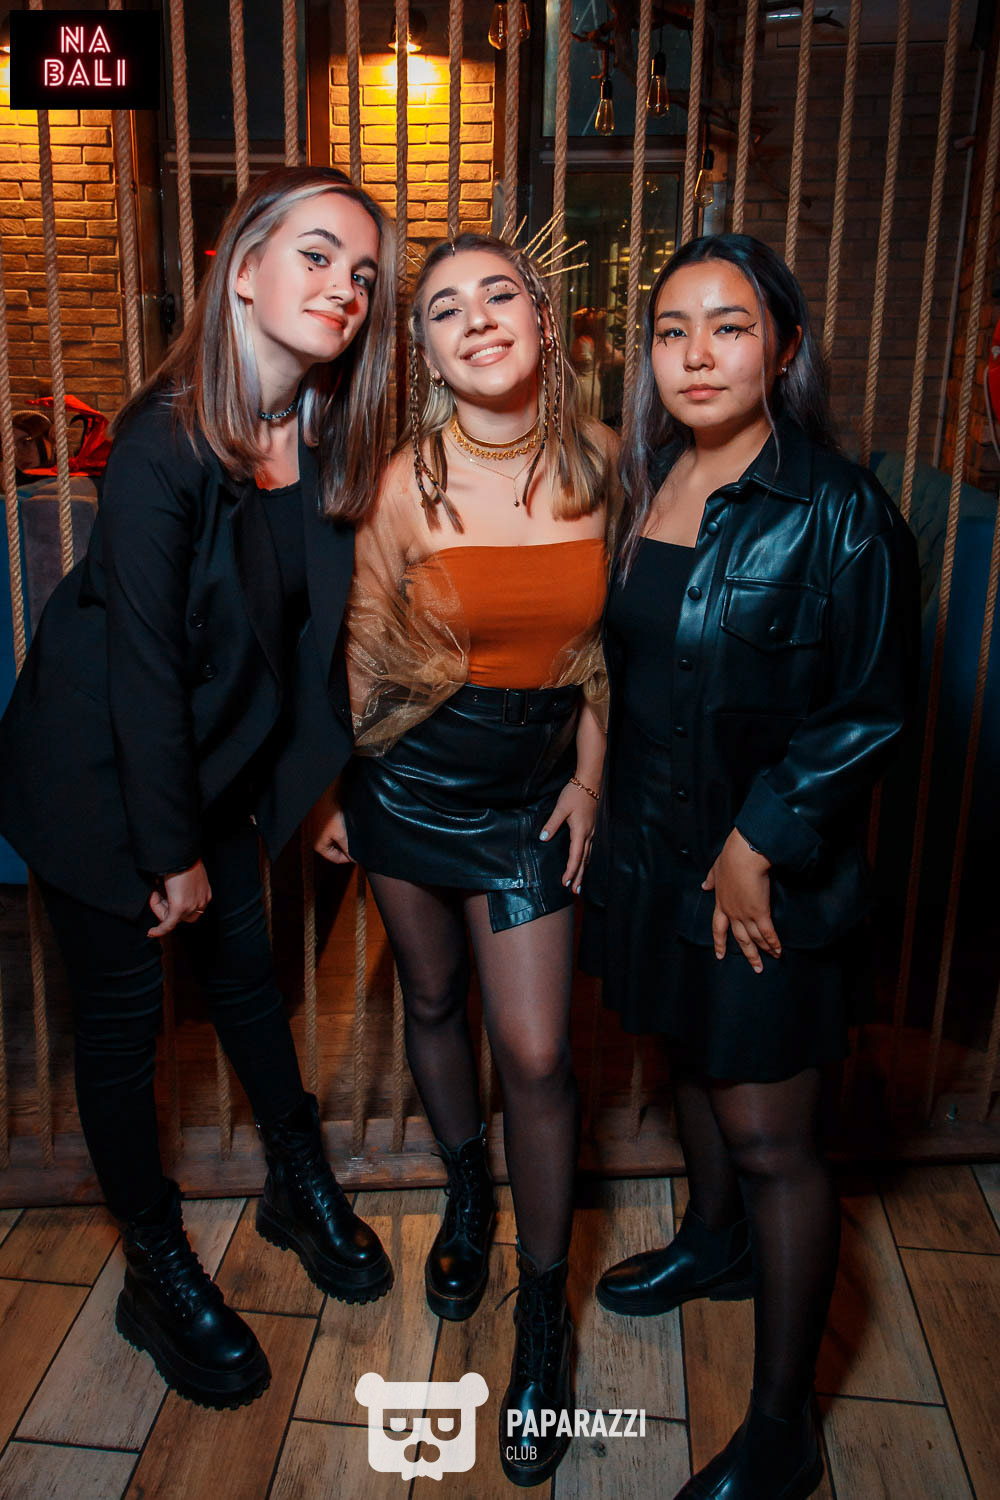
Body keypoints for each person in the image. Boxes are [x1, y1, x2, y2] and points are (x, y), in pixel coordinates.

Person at [0, 165, 397, 1410]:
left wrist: (314, 791)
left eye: (363, 274)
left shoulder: (316, 435)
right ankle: (154, 1263)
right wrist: (168, 852)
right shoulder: (163, 439)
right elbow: (143, 666)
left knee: (245, 979)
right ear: (241, 271)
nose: (345, 288)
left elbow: (301, 644)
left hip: (208, 764)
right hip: (99, 774)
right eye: (318, 255)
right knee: (123, 1034)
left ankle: (293, 1179)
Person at [581, 233, 918, 1500]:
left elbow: (872, 708)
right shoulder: (648, 481)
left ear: (782, 349)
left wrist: (756, 842)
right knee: (688, 1058)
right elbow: (623, 668)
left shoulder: (840, 510)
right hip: (651, 851)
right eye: (672, 330)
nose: (697, 354)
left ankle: (783, 1430)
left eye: (728, 326)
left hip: (764, 876)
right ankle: (712, 1242)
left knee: (772, 1138)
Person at [313, 232, 617, 1486]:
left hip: (534, 792)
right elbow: (361, 643)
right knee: (432, 1000)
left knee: (537, 1052)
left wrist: (590, 778)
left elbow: (613, 653)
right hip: (409, 779)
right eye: (445, 308)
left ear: (541, 320)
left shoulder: (607, 467)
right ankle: (463, 1193)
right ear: (428, 354)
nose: (478, 318)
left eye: (499, 294)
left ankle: (543, 1311)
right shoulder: (405, 483)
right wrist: (338, 788)